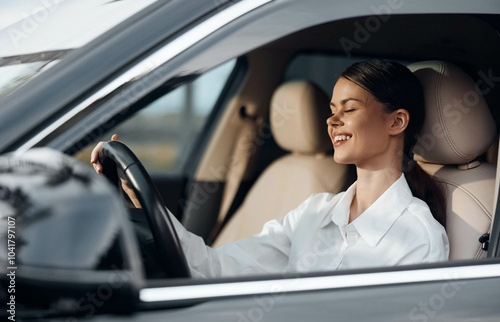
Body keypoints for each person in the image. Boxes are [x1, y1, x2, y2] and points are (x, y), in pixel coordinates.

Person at [91, 59, 449, 279]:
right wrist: (143, 202)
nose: (332, 120)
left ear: (397, 122)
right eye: (331, 108)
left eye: (350, 108)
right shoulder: (314, 212)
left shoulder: (418, 237)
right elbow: (216, 268)